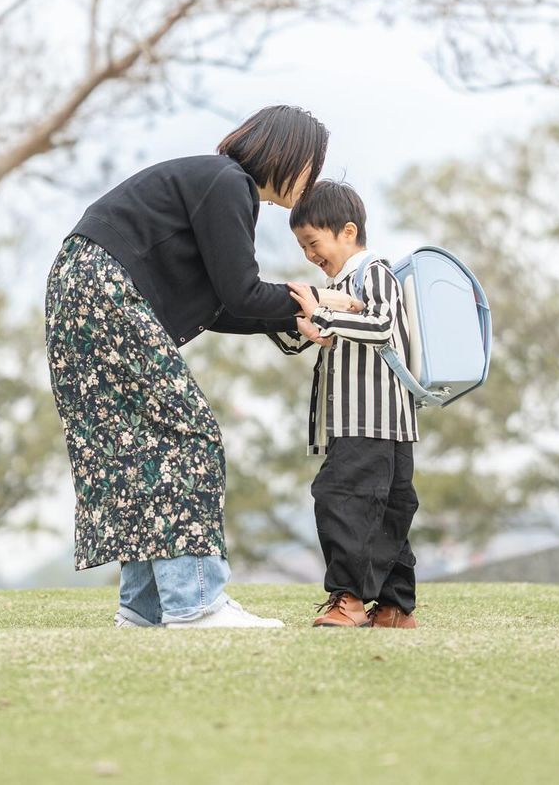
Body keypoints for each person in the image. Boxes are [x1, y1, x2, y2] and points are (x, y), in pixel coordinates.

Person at [44, 104, 357, 629]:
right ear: (288, 153)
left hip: (80, 290)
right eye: (312, 164)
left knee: (138, 448)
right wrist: (316, 301)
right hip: (103, 289)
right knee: (187, 435)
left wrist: (296, 316)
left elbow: (221, 305)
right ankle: (195, 603)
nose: (313, 179)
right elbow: (242, 291)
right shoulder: (227, 182)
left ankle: (144, 608)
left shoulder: (214, 183)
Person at [277, 180, 420, 628]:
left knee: (341, 498)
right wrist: (303, 320)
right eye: (302, 247)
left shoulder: (372, 272)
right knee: (387, 509)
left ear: (347, 231)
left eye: (313, 243)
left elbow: (379, 326)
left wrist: (320, 310)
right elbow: (315, 335)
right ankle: (395, 607)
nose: (309, 256)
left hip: (367, 418)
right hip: (386, 422)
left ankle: (350, 599)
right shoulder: (337, 284)